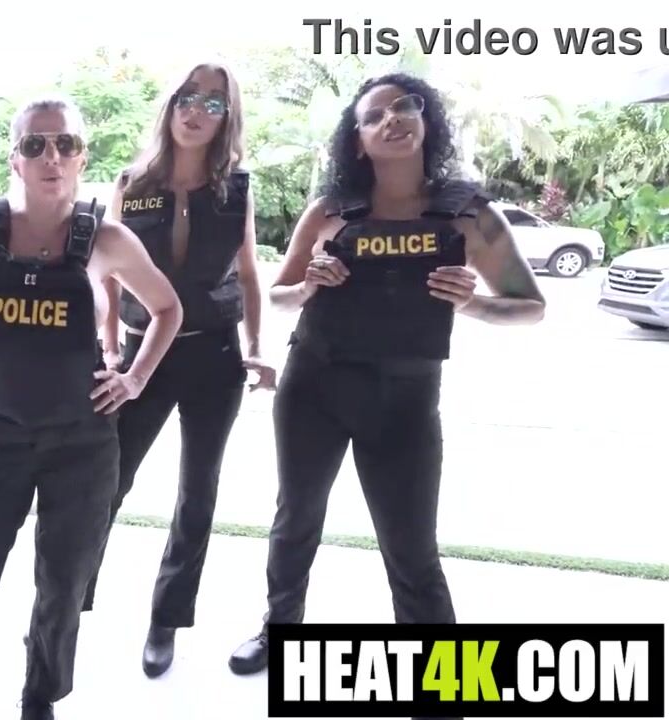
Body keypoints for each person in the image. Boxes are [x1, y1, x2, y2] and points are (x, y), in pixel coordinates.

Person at [227, 73, 546, 679]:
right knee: (296, 520)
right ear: (358, 140)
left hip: (406, 398)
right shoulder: (330, 211)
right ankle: (279, 628)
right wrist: (309, 283)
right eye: (374, 115)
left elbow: (531, 306)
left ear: (427, 121)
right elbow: (281, 294)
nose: (392, 119)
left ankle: (443, 675)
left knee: (411, 545)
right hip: (314, 386)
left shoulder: (468, 213)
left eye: (404, 107)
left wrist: (472, 304)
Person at [0, 96, 183, 720]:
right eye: (35, 144)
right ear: (14, 159)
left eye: (65, 144)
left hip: (82, 445)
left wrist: (134, 379)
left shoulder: (106, 238)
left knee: (63, 582)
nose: (51, 156)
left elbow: (167, 308)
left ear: (81, 157)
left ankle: (40, 692)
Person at [81, 61, 278, 679]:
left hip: (215, 354)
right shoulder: (133, 182)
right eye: (189, 98)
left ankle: (166, 618)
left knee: (197, 492)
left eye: (214, 103)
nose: (197, 111)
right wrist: (109, 347)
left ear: (227, 117)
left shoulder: (235, 188)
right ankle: (69, 600)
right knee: (107, 481)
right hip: (141, 354)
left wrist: (256, 345)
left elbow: (248, 272)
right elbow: (107, 273)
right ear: (170, 105)